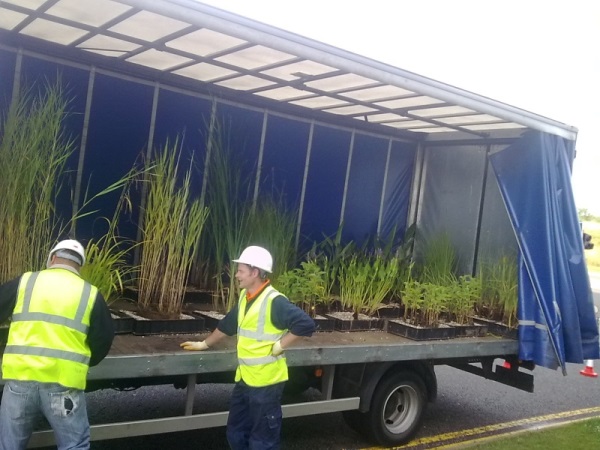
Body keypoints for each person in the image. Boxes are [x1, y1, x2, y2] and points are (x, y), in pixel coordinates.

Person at [181, 245, 316, 450]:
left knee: (262, 441)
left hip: (267, 383)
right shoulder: (246, 297)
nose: (237, 276)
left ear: (255, 272)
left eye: (241, 271)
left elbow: (306, 324)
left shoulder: (274, 301)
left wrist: (281, 345)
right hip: (245, 379)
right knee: (236, 433)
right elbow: (228, 325)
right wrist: (204, 344)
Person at [0, 239, 115, 450]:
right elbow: (104, 338)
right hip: (63, 385)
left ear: (52, 258)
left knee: (9, 446)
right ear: (79, 265)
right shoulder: (90, 293)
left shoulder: (26, 282)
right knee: (74, 445)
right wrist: (81, 363)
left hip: (20, 381)